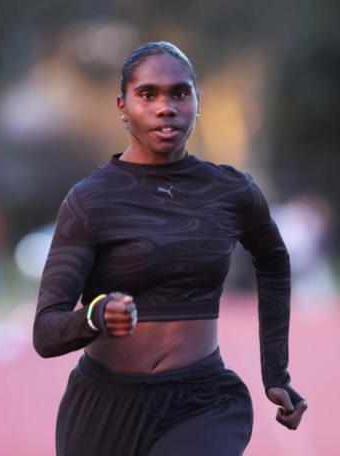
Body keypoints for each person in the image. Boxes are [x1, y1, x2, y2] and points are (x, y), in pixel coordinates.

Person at [33, 41, 307, 456]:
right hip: (105, 406)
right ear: (122, 106)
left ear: (198, 102)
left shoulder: (230, 191)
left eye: (180, 93)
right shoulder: (90, 201)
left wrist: (276, 372)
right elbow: (46, 332)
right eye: (148, 94)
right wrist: (96, 315)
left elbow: (273, 261)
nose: (166, 107)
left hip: (202, 401)